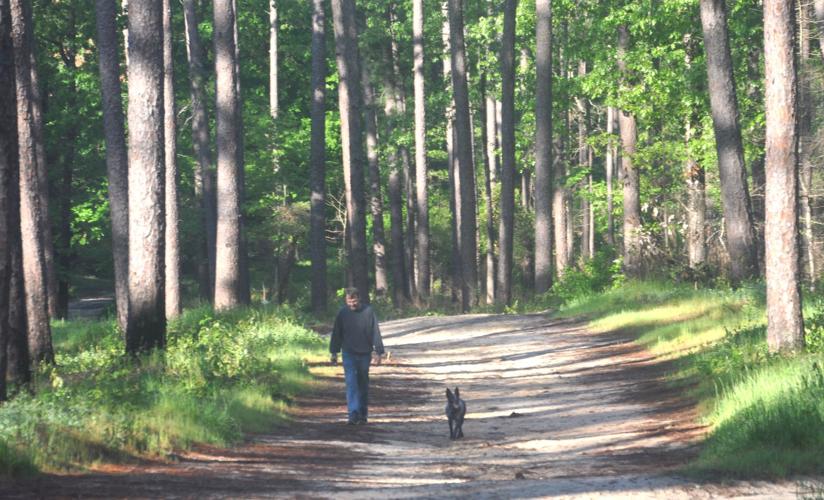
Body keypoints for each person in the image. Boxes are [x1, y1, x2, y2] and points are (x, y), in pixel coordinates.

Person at [329, 287, 385, 425]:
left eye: (354, 301)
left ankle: (362, 414)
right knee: (351, 382)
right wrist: (334, 352)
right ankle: (353, 413)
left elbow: (375, 332)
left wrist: (378, 352)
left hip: (365, 353)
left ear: (359, 299)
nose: (352, 304)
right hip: (348, 353)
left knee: (363, 383)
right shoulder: (342, 313)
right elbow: (337, 333)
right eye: (349, 301)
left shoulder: (368, 312)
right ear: (346, 300)